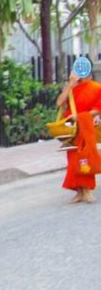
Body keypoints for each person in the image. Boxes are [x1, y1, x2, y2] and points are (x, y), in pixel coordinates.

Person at [55, 69, 101, 203]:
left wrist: (79, 116)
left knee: (85, 157)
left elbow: (98, 109)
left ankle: (86, 191)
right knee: (73, 159)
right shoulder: (71, 88)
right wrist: (70, 84)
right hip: (71, 128)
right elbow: (59, 103)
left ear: (89, 75)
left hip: (85, 126)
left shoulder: (96, 88)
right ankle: (79, 192)